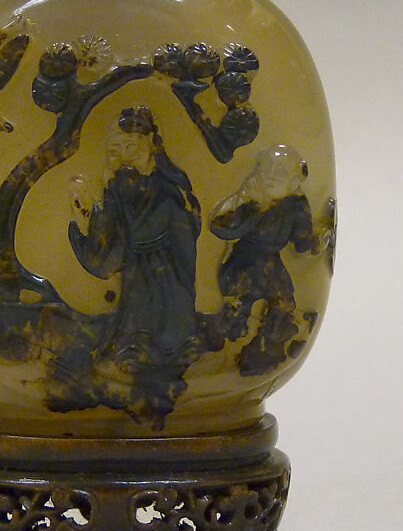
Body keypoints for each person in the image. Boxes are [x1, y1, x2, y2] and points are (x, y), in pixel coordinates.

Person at [68, 107, 201, 424]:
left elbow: (140, 234)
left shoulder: (168, 191)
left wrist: (100, 210)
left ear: (152, 144)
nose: (124, 157)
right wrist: (87, 215)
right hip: (138, 278)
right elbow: (111, 248)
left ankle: (157, 393)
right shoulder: (120, 187)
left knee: (160, 337)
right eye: (115, 150)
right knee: (134, 334)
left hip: (167, 279)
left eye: (132, 147)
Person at [210, 145, 320, 374]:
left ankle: (265, 350)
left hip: (271, 265)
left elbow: (302, 242)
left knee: (283, 304)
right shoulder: (250, 200)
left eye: (280, 172)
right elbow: (220, 226)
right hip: (244, 262)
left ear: (293, 181)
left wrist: (319, 240)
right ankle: (219, 340)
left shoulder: (296, 205)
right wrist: (249, 203)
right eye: (266, 169)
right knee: (237, 305)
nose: (270, 176)